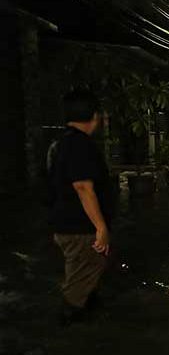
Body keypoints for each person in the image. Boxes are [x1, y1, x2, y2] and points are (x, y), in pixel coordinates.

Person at [49, 89, 115, 323]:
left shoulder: (63, 142)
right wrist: (101, 227)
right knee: (79, 283)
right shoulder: (79, 145)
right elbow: (83, 187)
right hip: (79, 228)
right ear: (94, 116)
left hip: (67, 223)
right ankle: (67, 337)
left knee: (85, 275)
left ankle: (87, 320)